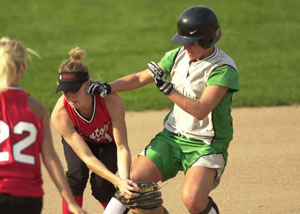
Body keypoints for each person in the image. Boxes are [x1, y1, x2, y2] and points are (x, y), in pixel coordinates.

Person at [91, 5, 239, 214]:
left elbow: (201, 110)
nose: (186, 47)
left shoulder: (223, 69)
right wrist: (107, 87)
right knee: (133, 183)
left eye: (190, 43)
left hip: (206, 143)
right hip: (172, 137)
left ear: (207, 40)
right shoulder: (178, 55)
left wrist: (168, 89)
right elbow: (141, 77)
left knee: (193, 200)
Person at [0, 37, 87, 214]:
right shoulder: (37, 108)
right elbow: (50, 158)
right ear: (23, 68)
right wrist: (70, 202)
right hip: (29, 198)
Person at [51, 47, 140, 214]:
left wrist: (124, 180)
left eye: (74, 90)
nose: (69, 97)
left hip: (108, 143)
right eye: (65, 91)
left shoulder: (110, 101)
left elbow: (121, 147)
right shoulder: (60, 114)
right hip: (81, 142)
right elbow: (86, 156)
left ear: (87, 85)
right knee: (75, 177)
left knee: (102, 185)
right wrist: (118, 181)